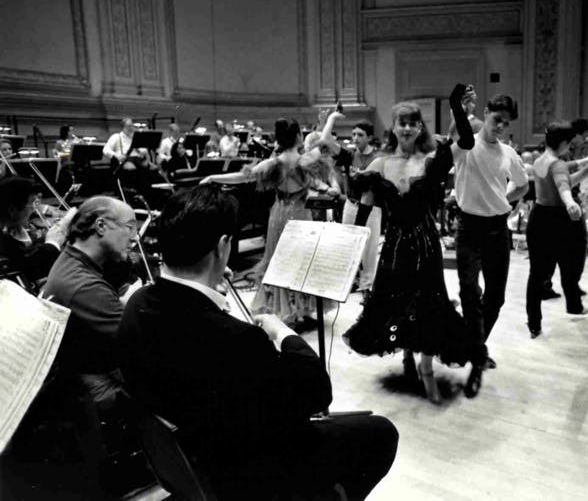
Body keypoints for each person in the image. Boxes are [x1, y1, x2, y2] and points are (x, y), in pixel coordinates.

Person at [118, 184, 398, 499]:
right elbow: (317, 393)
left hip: (189, 458)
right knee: (380, 432)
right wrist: (284, 334)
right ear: (222, 247)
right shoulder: (237, 340)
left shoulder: (136, 304)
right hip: (243, 471)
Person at [342, 87, 474, 404]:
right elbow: (363, 203)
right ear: (393, 127)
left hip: (426, 245)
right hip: (396, 246)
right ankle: (406, 356)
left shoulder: (432, 159)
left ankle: (426, 369)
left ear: (420, 127)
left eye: (413, 123)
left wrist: (456, 105)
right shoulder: (379, 164)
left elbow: (467, 142)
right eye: (401, 122)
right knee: (396, 304)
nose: (407, 128)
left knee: (428, 305)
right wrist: (351, 240)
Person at [203, 118, 334, 323]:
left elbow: (242, 177)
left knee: (278, 262)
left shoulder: (273, 163)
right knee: (302, 261)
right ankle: (302, 308)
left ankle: (285, 310)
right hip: (302, 215)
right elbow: (324, 140)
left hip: (280, 215)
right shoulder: (306, 159)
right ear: (299, 136)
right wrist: (332, 119)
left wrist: (213, 177)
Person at [452, 91, 528, 398]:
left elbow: (522, 184)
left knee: (495, 298)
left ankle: (477, 347)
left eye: (506, 124)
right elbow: (455, 130)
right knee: (470, 293)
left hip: (498, 229)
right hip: (468, 227)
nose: (500, 127)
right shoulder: (466, 144)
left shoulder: (509, 153)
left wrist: (502, 200)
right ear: (486, 113)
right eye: (497, 120)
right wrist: (458, 106)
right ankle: (477, 361)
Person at [41, 196, 141, 407]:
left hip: (88, 371)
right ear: (101, 226)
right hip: (92, 389)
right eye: (130, 227)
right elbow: (141, 341)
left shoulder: (70, 257)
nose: (135, 238)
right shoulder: (85, 286)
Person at [525, 123, 588, 337]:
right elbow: (563, 185)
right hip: (560, 219)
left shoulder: (540, 159)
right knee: (573, 262)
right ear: (562, 143)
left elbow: (562, 175)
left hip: (539, 217)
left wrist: (587, 164)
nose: (569, 148)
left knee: (536, 274)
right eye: (568, 144)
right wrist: (571, 202)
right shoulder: (558, 164)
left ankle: (534, 322)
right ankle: (573, 303)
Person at [320, 111, 382, 296]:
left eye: (360, 135)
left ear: (370, 137)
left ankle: (367, 285)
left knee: (369, 249)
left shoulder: (378, 158)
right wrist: (331, 119)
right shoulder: (349, 155)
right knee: (349, 245)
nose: (355, 138)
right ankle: (352, 280)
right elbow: (325, 140)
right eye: (353, 134)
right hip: (351, 204)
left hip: (371, 208)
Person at [0, 176, 74, 283]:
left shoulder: (10, 230)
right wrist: (53, 243)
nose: (35, 209)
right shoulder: (4, 243)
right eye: (32, 204)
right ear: (13, 210)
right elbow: (27, 269)